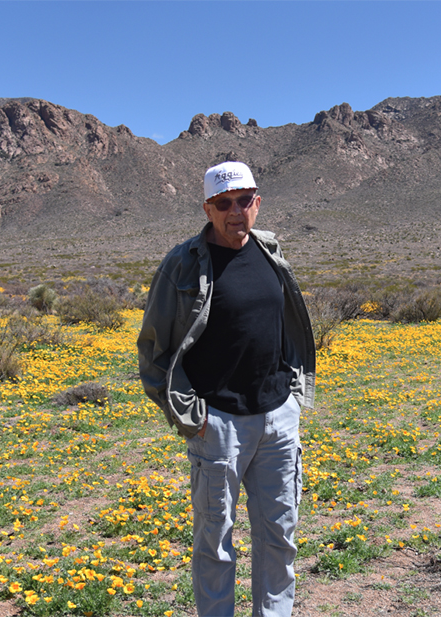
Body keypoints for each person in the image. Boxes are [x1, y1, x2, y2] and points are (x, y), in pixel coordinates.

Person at [137, 161, 316, 617]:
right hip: (218, 424)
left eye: (244, 200)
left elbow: (285, 325)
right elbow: (154, 349)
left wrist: (294, 395)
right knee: (214, 543)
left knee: (280, 537)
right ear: (208, 208)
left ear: (257, 202)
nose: (236, 211)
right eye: (224, 203)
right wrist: (189, 414)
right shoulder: (183, 264)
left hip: (278, 418)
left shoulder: (269, 250)